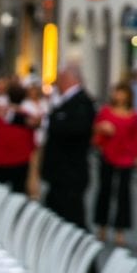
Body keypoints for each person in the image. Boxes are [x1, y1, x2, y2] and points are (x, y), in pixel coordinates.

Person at [41, 64, 96, 228]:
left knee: (72, 217)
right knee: (57, 214)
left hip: (70, 171)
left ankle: (81, 251)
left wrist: (53, 121)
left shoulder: (81, 102)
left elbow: (76, 129)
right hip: (60, 172)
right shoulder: (65, 101)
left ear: (68, 79)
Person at [92, 81, 137, 246]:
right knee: (105, 190)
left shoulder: (134, 115)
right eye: (117, 92)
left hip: (126, 157)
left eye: (122, 92)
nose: (119, 96)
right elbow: (96, 130)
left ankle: (120, 229)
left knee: (123, 194)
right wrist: (102, 129)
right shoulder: (106, 111)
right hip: (108, 155)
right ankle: (102, 226)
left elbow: (136, 136)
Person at [0, 82, 37, 193]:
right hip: (21, 162)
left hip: (1, 161)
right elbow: (32, 143)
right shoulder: (27, 117)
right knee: (19, 194)